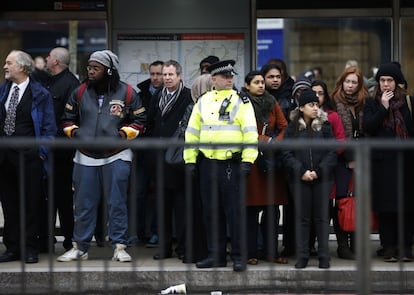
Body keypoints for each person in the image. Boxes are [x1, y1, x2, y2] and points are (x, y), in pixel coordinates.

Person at [57, 49, 146, 262]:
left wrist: (121, 136)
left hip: (117, 155)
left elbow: (140, 121)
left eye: (96, 68)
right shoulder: (79, 92)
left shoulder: (128, 93)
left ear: (109, 71)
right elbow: (67, 119)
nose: (90, 71)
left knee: (117, 202)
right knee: (83, 204)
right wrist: (77, 135)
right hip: (84, 156)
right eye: (89, 67)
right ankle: (80, 247)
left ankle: (119, 246)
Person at [184, 59, 258, 272]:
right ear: (213, 79)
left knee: (235, 213)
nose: (229, 79)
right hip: (208, 164)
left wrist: (247, 160)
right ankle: (216, 255)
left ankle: (238, 256)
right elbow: (192, 133)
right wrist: (190, 160)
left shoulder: (241, 101)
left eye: (231, 76)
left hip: (231, 165)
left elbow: (250, 132)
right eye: (225, 76)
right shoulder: (203, 101)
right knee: (211, 212)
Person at [0, 50, 57, 264]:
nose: (5, 66)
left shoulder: (40, 94)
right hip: (5, 159)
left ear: (22, 67)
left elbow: (49, 128)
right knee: (9, 205)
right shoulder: (2, 91)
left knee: (31, 205)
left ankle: (30, 248)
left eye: (9, 63)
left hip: (30, 159)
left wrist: (40, 153)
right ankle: (12, 248)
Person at [363, 62, 414, 262]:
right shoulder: (372, 103)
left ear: (397, 82)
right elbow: (368, 126)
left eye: (390, 80)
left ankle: (405, 247)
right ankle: (389, 246)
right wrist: (383, 108)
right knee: (386, 207)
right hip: (383, 164)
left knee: (406, 206)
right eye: (382, 80)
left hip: (406, 164)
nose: (386, 84)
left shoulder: (409, 103)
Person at [282, 89, 337, 269]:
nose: (315, 108)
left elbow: (332, 151)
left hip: (323, 179)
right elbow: (287, 153)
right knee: (303, 218)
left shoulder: (325, 125)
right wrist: (301, 171)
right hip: (299, 179)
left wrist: (319, 172)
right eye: (311, 105)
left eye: (316, 104)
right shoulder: (293, 127)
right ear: (302, 107)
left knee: (321, 218)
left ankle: (323, 256)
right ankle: (303, 256)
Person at [146, 60, 193, 261]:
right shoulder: (157, 96)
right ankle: (164, 248)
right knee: (162, 207)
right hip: (159, 160)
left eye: (170, 75)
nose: (166, 78)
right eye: (164, 75)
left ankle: (182, 247)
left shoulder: (188, 95)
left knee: (182, 207)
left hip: (178, 160)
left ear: (179, 76)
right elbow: (150, 123)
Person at [241, 70, 288, 265]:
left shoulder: (272, 101)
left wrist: (274, 142)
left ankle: (271, 252)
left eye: (262, 82)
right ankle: (250, 252)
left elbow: (285, 125)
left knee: (272, 210)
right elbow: (241, 128)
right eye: (256, 82)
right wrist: (264, 140)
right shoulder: (242, 103)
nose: (261, 85)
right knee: (250, 211)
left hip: (271, 160)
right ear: (247, 85)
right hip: (252, 160)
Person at [36, 47, 80, 253]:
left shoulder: (71, 84)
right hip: (47, 150)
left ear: (56, 62)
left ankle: (70, 239)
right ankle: (45, 239)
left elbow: (71, 120)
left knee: (63, 198)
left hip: (62, 152)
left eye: (49, 56)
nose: (46, 58)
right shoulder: (48, 81)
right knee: (46, 197)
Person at [330, 65, 369, 260]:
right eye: (347, 81)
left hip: (361, 158)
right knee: (342, 201)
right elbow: (337, 134)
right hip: (341, 160)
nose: (350, 85)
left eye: (354, 82)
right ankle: (342, 245)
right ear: (342, 82)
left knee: (357, 201)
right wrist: (349, 158)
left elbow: (367, 131)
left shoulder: (364, 102)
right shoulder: (334, 101)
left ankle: (356, 244)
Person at [261, 59, 296, 257]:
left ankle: (290, 246)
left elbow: (288, 126)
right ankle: (268, 247)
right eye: (271, 77)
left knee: (290, 205)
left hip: (287, 155)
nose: (275, 80)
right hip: (266, 158)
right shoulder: (258, 95)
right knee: (270, 205)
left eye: (278, 76)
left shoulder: (291, 94)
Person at [132, 60, 164, 247]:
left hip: (159, 153)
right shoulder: (140, 94)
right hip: (142, 152)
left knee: (159, 195)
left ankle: (156, 233)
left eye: (159, 74)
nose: (156, 78)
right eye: (153, 74)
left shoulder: (169, 95)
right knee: (138, 194)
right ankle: (137, 232)